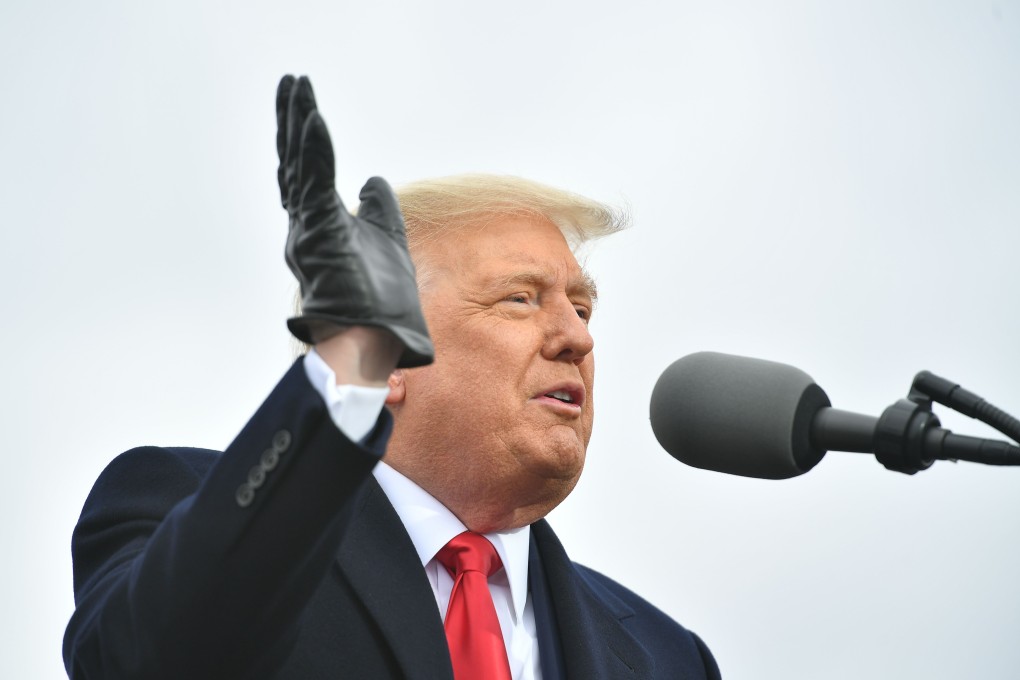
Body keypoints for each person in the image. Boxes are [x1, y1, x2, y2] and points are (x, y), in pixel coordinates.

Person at [63, 75, 720, 680]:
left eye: (582, 307)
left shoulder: (670, 657)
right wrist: (351, 364)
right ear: (394, 355)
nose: (577, 337)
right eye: (521, 298)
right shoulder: (192, 511)